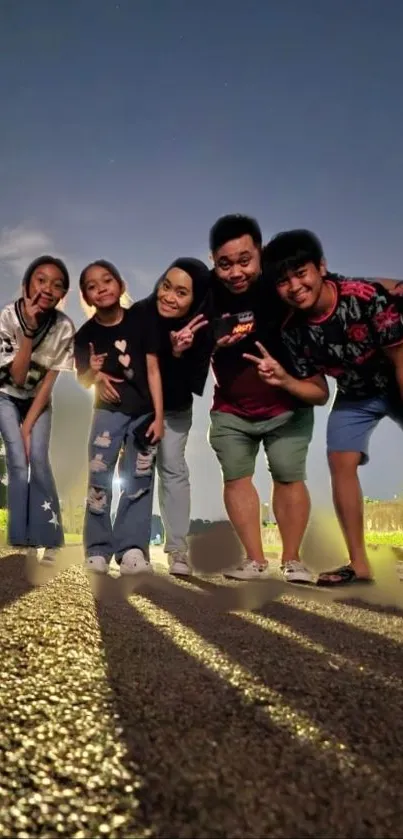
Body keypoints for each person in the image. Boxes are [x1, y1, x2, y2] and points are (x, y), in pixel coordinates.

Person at [262, 228, 403, 587]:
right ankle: (359, 565)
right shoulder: (292, 329)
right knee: (340, 460)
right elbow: (319, 393)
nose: (294, 286)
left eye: (301, 273)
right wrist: (285, 381)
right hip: (355, 393)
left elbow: (399, 358)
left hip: (397, 373)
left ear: (321, 267)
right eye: (283, 280)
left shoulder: (366, 297)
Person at [208, 214, 327, 582]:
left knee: (289, 476)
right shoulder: (205, 291)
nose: (236, 272)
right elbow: (168, 317)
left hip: (286, 404)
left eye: (245, 260)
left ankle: (292, 559)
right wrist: (204, 343)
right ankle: (254, 560)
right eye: (225, 264)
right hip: (231, 407)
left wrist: (287, 378)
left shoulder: (282, 286)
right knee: (236, 477)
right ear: (213, 261)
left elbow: (327, 291)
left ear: (260, 253)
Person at [74, 260, 164, 575]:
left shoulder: (141, 322)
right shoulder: (85, 335)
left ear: (120, 285)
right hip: (107, 414)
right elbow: (82, 378)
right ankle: (97, 549)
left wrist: (159, 415)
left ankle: (132, 550)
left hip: (143, 413)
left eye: (107, 280)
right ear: (87, 297)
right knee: (99, 478)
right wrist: (95, 374)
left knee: (139, 481)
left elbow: (153, 369)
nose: (101, 288)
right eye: (92, 286)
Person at [136, 258, 213, 576]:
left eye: (181, 292)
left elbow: (192, 387)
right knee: (137, 474)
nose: (169, 296)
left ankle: (178, 550)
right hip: (138, 407)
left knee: (173, 471)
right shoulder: (141, 313)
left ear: (195, 300)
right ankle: (132, 547)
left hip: (175, 409)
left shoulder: (202, 329)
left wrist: (179, 352)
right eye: (166, 286)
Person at [0, 256, 74, 561]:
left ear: (62, 295)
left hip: (38, 400)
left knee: (39, 459)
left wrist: (28, 426)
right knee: (18, 461)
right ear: (27, 284)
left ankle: (49, 538)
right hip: (5, 394)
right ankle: (22, 540)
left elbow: (48, 384)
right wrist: (28, 332)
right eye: (41, 280)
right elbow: (17, 377)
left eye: (57, 285)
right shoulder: (8, 316)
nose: (48, 288)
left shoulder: (64, 327)